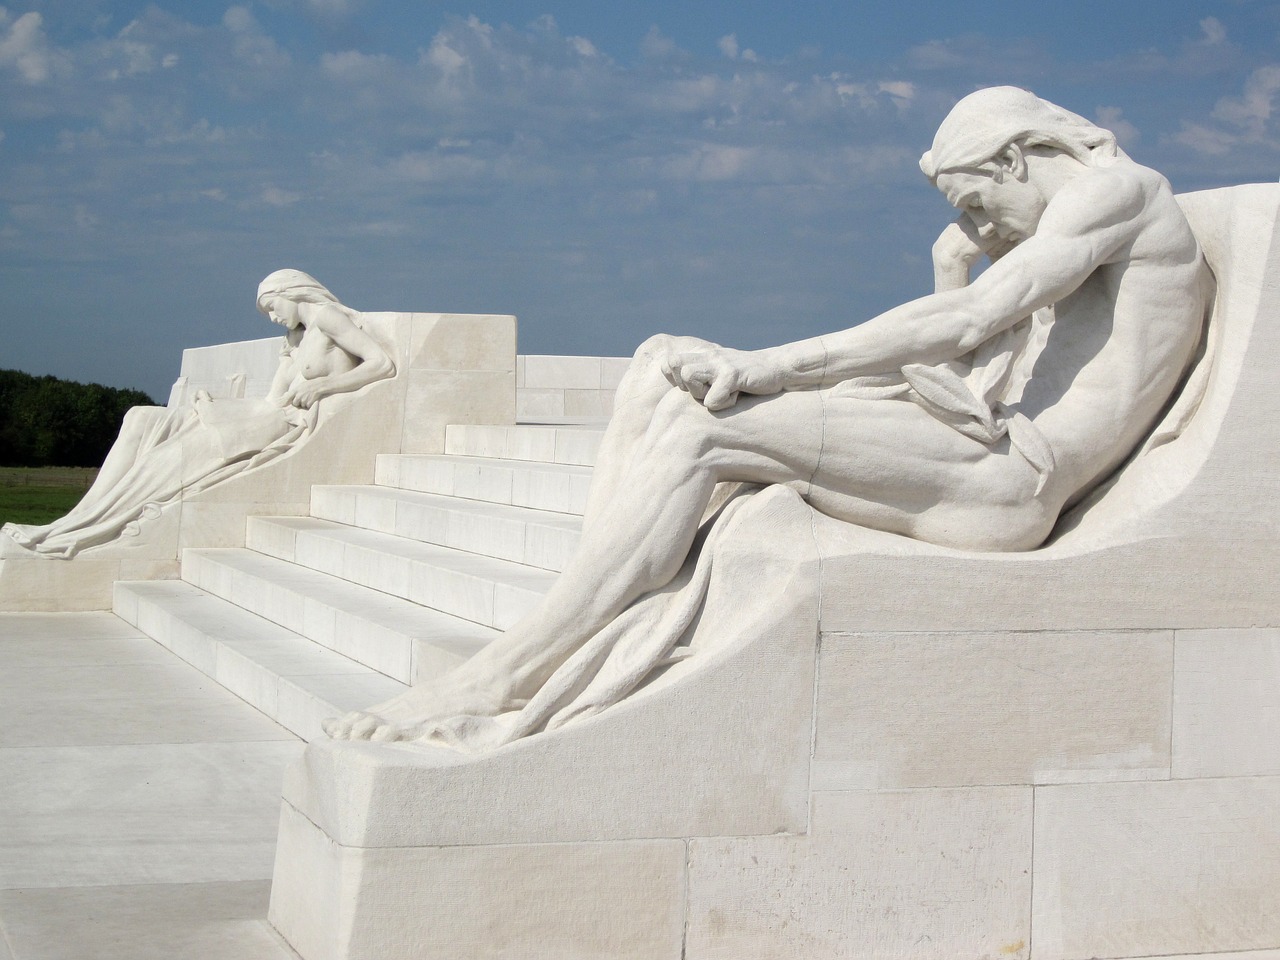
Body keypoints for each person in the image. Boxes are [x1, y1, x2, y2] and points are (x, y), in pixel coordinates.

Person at [325, 86, 1214, 743]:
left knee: (706, 422)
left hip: (1009, 481)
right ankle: (584, 618)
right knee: (657, 369)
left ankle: (508, 674)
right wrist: (953, 263)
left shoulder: (1115, 195)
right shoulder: (1066, 229)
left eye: (980, 204)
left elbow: (981, 322)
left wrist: (770, 367)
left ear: (1014, 159)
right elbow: (972, 346)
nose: (986, 228)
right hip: (967, 437)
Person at [1, 269, 394, 559]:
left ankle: (90, 528)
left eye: (273, 307)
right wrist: (217, 407)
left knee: (165, 458)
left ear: (291, 292)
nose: (273, 317)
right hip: (262, 415)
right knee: (139, 416)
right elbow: (270, 399)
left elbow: (381, 364)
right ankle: (78, 518)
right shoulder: (294, 337)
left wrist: (323, 386)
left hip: (283, 425)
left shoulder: (327, 319)